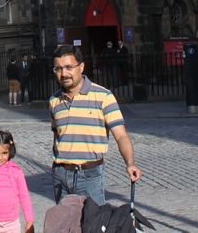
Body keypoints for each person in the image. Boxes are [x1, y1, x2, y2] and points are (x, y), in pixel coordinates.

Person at [48, 44, 142, 205]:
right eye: (58, 69)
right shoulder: (54, 100)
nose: (64, 74)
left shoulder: (103, 97)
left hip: (89, 175)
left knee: (93, 224)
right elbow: (57, 135)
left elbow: (121, 136)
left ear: (81, 67)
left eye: (69, 67)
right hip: (60, 174)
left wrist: (130, 163)